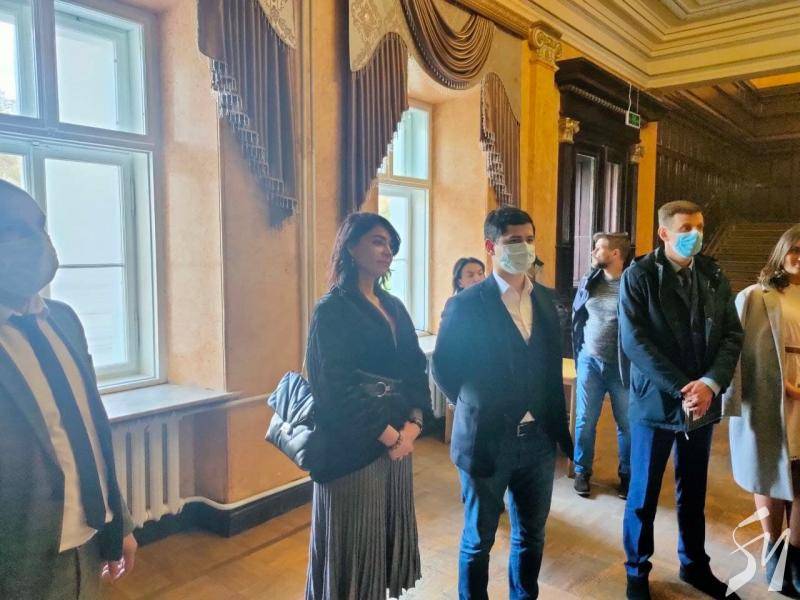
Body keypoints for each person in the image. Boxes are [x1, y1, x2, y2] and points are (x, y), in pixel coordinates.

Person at [0, 180, 137, 599]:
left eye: (40, 227)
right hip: (19, 564)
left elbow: (90, 430)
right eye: (16, 230)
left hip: (88, 544)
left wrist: (119, 523)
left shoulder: (64, 320)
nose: (38, 243)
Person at [433, 206, 573, 600]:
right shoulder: (466, 304)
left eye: (529, 239)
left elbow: (547, 363)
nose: (524, 247)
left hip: (539, 440)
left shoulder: (546, 299)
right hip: (487, 437)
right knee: (479, 539)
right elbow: (444, 368)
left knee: (531, 534)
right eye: (514, 240)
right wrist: (476, 405)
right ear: (491, 246)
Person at [619, 200, 743, 600]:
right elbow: (635, 341)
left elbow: (732, 334)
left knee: (693, 491)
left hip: (701, 402)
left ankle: (694, 565)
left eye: (700, 227)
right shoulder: (639, 275)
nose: (696, 235)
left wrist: (710, 384)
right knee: (643, 495)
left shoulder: (712, 274)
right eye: (687, 228)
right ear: (664, 233)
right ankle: (637, 572)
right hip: (655, 403)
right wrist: (683, 388)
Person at [304, 212, 432, 600]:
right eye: (377, 241)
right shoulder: (332, 309)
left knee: (379, 546)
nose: (387, 250)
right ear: (350, 246)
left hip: (397, 442)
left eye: (391, 244)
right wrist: (391, 436)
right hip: (351, 450)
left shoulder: (393, 305)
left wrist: (414, 425)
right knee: (353, 551)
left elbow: (415, 366)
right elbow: (333, 388)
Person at [725, 224, 800, 593]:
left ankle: (797, 555)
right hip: (771, 396)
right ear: (782, 252)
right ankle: (774, 548)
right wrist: (780, 384)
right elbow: (738, 354)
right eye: (796, 249)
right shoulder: (756, 296)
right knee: (769, 470)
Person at [571, 232, 631, 499]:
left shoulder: (631, 284)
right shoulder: (591, 279)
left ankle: (627, 475)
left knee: (626, 423)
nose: (594, 252)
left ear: (615, 253)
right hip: (590, 361)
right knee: (585, 420)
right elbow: (578, 315)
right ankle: (582, 471)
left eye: (599, 248)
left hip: (621, 366)